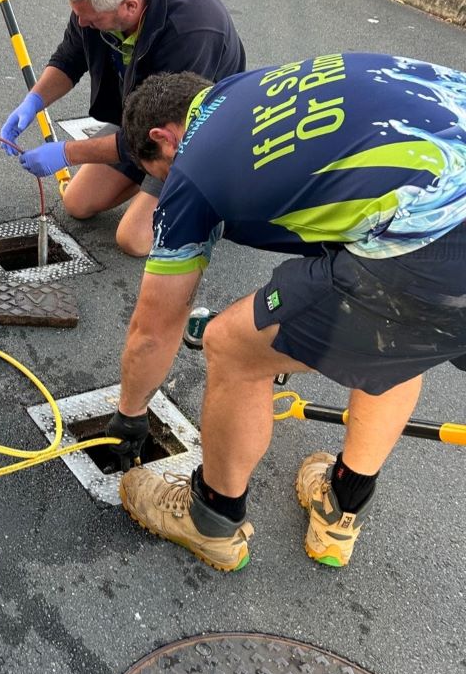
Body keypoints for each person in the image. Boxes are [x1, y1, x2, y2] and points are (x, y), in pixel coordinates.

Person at [105, 52, 466, 570]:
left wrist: (131, 413)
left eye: (156, 175)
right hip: (441, 194)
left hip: (435, 254)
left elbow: (154, 326)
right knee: (395, 345)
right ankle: (341, 506)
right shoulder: (252, 89)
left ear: (165, 139)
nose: (164, 186)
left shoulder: (192, 170)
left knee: (231, 345)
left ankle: (213, 518)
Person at [0, 0, 245, 257]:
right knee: (77, 202)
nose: (83, 23)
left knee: (133, 239)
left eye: (90, 19)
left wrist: (67, 153)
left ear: (130, 6)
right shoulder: (99, 1)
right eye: (78, 15)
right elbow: (70, 57)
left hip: (189, 136)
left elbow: (157, 136)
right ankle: (152, 185)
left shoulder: (191, 32)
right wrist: (33, 101)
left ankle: (212, 196)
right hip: (144, 119)